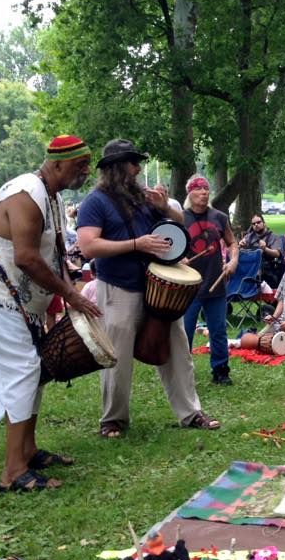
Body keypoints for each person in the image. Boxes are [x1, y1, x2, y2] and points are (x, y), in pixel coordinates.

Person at [0, 135, 101, 492]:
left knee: (34, 372)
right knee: (22, 372)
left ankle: (28, 450)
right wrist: (71, 294)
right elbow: (25, 256)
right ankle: (13, 472)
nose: (85, 171)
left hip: (21, 303)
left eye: (87, 164)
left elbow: (53, 252)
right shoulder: (26, 194)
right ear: (55, 164)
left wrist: (68, 290)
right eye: (78, 165)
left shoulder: (50, 196)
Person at [77, 139, 219, 439]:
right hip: (119, 287)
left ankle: (191, 413)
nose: (138, 168)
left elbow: (179, 221)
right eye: (133, 163)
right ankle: (113, 419)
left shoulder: (143, 198)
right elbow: (88, 246)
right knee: (118, 354)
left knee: (178, 348)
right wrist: (135, 245)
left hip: (159, 286)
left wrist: (165, 207)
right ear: (117, 168)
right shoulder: (96, 201)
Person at [181, 175, 238, 386]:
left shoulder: (219, 217)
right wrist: (179, 258)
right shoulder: (180, 218)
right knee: (184, 333)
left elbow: (233, 243)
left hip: (215, 284)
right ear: (190, 193)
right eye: (199, 189)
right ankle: (183, 373)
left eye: (206, 189)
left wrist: (233, 262)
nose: (204, 192)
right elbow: (170, 248)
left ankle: (221, 370)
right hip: (188, 287)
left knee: (218, 330)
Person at [239, 213, 285, 288]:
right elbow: (241, 252)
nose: (256, 225)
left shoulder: (273, 237)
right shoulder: (248, 237)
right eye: (253, 224)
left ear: (264, 223)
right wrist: (240, 246)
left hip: (268, 271)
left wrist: (265, 249)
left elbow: (277, 254)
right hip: (250, 268)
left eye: (258, 222)